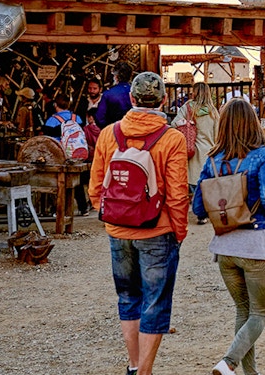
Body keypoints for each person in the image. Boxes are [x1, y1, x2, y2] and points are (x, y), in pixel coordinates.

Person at [89, 72, 188, 375]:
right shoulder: (171, 138)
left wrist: (114, 214)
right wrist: (179, 231)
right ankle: (145, 371)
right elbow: (177, 193)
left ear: (131, 99)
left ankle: (133, 365)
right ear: (163, 100)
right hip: (157, 230)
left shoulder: (109, 134)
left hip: (118, 230)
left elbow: (95, 187)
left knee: (128, 297)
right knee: (155, 302)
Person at [186, 98, 265, 375]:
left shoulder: (213, 160)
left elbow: (199, 207)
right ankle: (228, 362)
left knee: (243, 311)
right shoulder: (263, 155)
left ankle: (251, 374)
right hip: (255, 242)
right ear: (253, 122)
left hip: (225, 246)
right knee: (260, 313)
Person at [171, 82, 218, 203]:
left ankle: (199, 209)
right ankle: (205, 208)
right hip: (209, 151)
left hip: (192, 151)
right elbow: (218, 135)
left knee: (194, 183)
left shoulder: (187, 108)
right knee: (207, 182)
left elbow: (174, 124)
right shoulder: (213, 112)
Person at [44, 95, 91, 215]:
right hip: (75, 153)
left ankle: (58, 209)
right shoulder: (77, 118)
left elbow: (47, 138)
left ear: (55, 105)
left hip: (60, 153)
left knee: (60, 182)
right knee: (76, 180)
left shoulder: (52, 120)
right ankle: (83, 207)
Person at [96, 61, 135, 128]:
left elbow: (100, 118)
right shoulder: (136, 92)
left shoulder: (108, 94)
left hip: (114, 131)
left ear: (116, 76)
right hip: (134, 131)